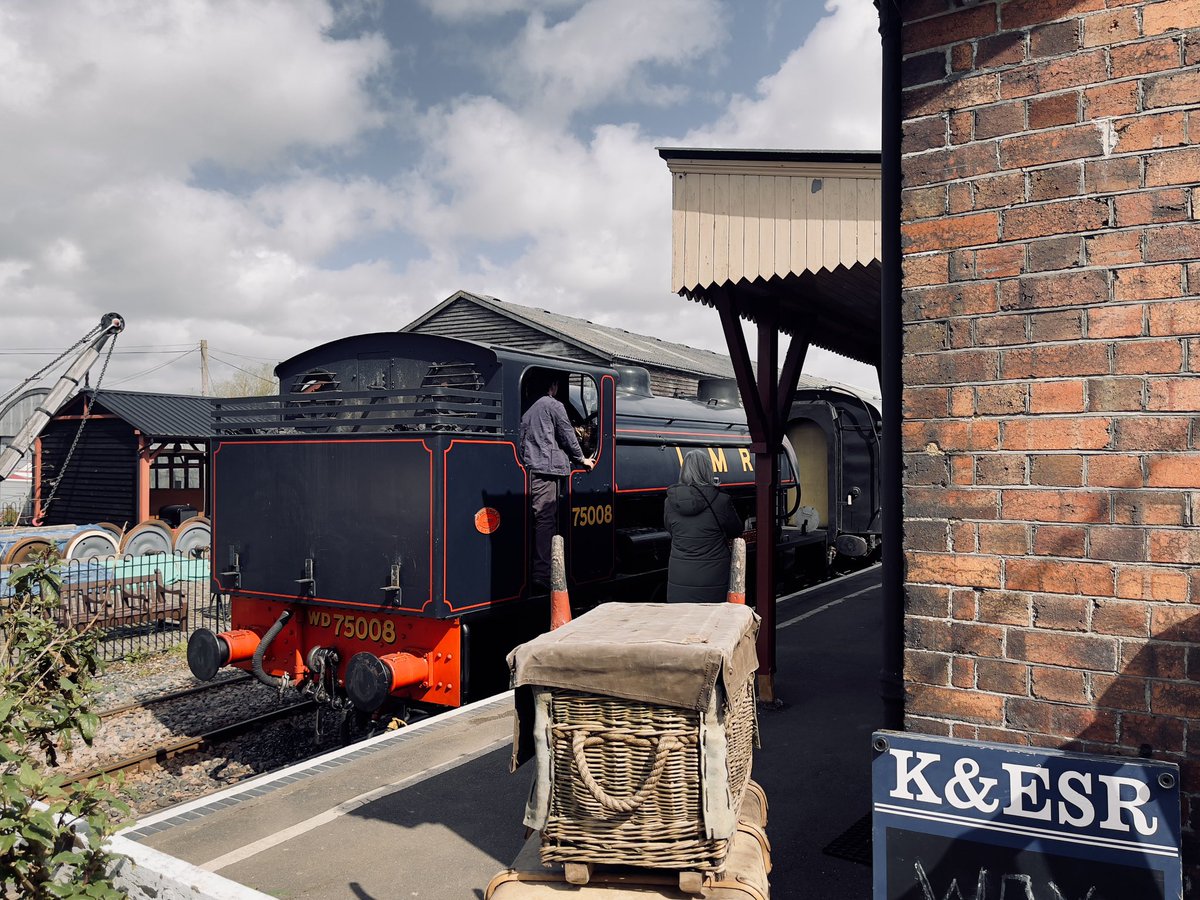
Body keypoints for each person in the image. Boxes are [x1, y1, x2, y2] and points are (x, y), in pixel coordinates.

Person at [520, 376, 594, 586]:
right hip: (546, 468)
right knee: (545, 519)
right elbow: (567, 434)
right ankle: (542, 572)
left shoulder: (527, 405)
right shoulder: (553, 405)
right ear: (552, 386)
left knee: (538, 519)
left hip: (530, 466)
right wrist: (582, 458)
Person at [663, 449, 743, 603]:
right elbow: (736, 530)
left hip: (679, 576)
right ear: (708, 469)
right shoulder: (721, 500)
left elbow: (670, 529)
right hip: (713, 578)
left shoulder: (669, 502)